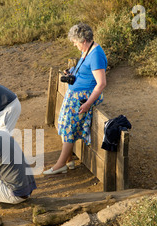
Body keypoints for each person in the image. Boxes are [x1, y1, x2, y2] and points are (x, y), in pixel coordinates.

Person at [43, 23, 107, 175]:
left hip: (83, 98)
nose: (74, 45)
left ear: (84, 40)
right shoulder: (88, 49)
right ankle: (68, 159)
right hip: (75, 94)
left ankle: (60, 165)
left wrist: (87, 104)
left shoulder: (96, 55)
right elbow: (86, 71)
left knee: (69, 128)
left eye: (75, 42)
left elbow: (101, 83)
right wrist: (72, 72)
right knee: (64, 124)